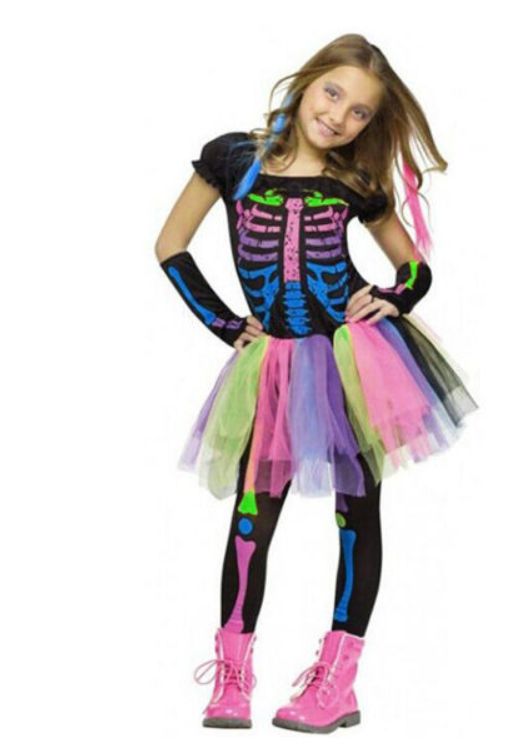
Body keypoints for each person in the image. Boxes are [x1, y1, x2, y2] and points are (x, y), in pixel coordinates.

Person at [155, 33, 478, 733]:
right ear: (305, 83)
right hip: (271, 365)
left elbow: (414, 267)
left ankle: (338, 682)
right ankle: (232, 673)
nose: (339, 116)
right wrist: (224, 324)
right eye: (332, 94)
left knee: (355, 513)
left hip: (354, 362)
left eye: (360, 112)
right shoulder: (232, 159)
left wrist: (394, 298)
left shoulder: (355, 181)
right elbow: (170, 246)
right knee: (252, 515)